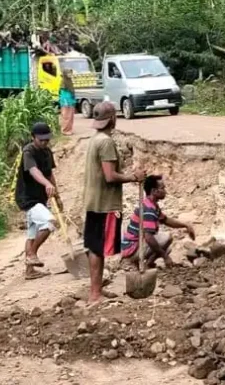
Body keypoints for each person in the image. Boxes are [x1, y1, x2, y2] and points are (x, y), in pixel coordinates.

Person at [83, 101, 146, 304]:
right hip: (105, 204)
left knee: (96, 247)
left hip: (94, 201)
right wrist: (133, 177)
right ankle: (94, 294)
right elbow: (110, 176)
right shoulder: (106, 143)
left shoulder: (95, 140)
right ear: (112, 119)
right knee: (98, 248)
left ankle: (97, 290)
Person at [15, 122, 62, 280]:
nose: (43, 142)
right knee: (49, 223)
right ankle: (32, 254)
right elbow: (34, 171)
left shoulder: (47, 152)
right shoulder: (28, 151)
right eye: (40, 140)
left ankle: (30, 271)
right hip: (28, 197)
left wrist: (57, 195)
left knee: (32, 233)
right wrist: (46, 184)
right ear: (33, 137)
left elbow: (49, 174)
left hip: (40, 198)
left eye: (46, 140)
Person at [121, 175, 195, 269]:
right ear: (154, 191)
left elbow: (166, 220)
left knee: (167, 248)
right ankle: (142, 264)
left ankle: (147, 264)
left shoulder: (151, 205)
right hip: (132, 248)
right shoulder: (148, 209)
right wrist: (165, 257)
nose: (165, 191)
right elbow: (148, 237)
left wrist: (185, 225)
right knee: (166, 238)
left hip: (135, 244)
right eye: (162, 188)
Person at [59, 69, 77, 135]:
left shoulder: (69, 81)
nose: (70, 74)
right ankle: (65, 130)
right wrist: (65, 101)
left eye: (70, 73)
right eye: (69, 73)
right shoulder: (63, 81)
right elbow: (63, 93)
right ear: (65, 74)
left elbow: (71, 91)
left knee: (70, 116)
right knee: (66, 116)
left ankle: (69, 129)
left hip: (71, 101)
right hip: (66, 101)